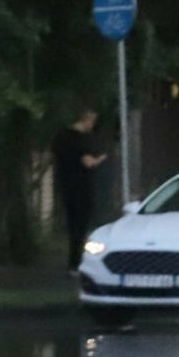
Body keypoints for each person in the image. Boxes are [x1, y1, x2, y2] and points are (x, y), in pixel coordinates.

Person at [53, 109, 108, 272]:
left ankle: (73, 262)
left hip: (65, 185)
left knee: (72, 225)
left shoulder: (61, 137)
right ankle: (77, 263)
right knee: (81, 226)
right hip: (82, 187)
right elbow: (88, 162)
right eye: (92, 121)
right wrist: (101, 158)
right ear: (87, 119)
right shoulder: (80, 140)